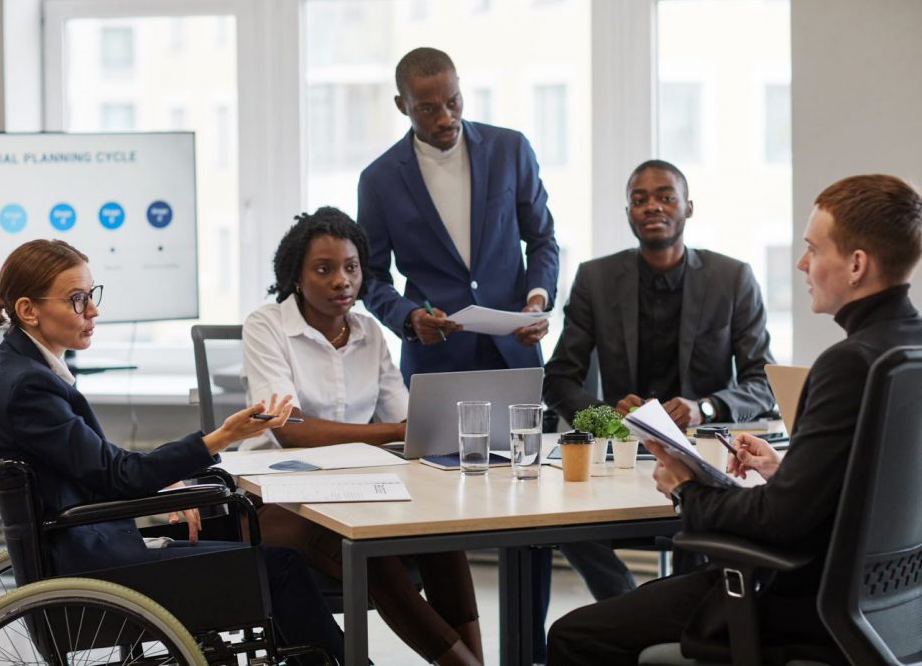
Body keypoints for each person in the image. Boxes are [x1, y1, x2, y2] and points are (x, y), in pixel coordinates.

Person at [546, 173, 922, 665]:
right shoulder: (906, 349)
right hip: (891, 608)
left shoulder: (848, 363)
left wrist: (686, 487)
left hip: (799, 601)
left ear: (855, 265)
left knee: (572, 635)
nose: (802, 263)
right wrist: (787, 471)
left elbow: (778, 522)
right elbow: (876, 487)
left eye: (813, 249)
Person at [0, 238, 345, 662]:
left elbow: (92, 460)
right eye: (77, 299)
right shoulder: (29, 385)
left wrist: (167, 476)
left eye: (91, 295)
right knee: (280, 566)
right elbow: (117, 475)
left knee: (243, 538)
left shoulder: (23, 369)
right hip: (92, 560)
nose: (93, 311)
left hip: (85, 543)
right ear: (28, 310)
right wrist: (219, 438)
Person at [356, 46, 562, 661]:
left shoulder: (510, 148)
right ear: (402, 106)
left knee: (533, 518)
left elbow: (543, 237)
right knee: (442, 520)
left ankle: (528, 652)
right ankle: (462, 652)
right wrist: (408, 318)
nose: (445, 116)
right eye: (428, 107)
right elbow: (371, 277)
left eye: (453, 101)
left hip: (514, 353)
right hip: (438, 363)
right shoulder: (379, 177)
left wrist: (537, 295)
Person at [243, 208, 484, 666]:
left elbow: (407, 418)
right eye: (324, 269)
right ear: (296, 275)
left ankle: (475, 661)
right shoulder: (267, 325)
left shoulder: (370, 331)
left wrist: (426, 427)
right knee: (365, 548)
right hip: (275, 498)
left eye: (351, 268)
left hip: (358, 490)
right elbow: (289, 429)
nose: (342, 281)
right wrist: (394, 432)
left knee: (442, 532)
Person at [544, 159, 778, 610]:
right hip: (622, 449)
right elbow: (559, 378)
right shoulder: (595, 278)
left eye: (665, 196)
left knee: (704, 522)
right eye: (639, 199)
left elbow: (761, 383)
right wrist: (604, 416)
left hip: (704, 455)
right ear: (628, 212)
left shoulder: (733, 278)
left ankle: (670, 613)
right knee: (560, 523)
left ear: (688, 207)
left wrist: (704, 408)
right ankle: (630, 606)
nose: (652, 206)